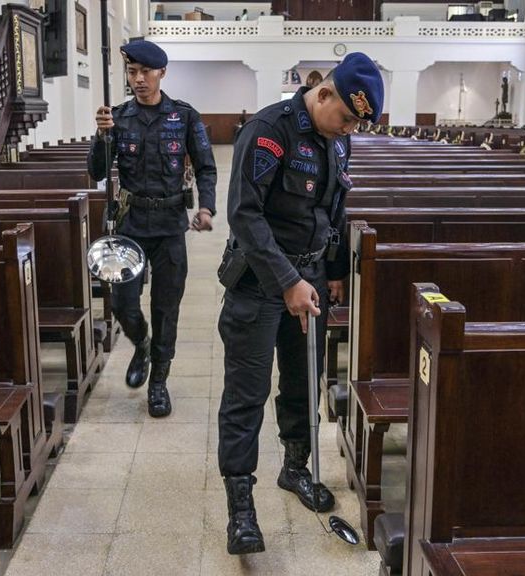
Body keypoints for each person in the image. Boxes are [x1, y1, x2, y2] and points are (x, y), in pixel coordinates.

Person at [215, 52, 384, 554]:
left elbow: (333, 209)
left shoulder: (338, 141)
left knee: (301, 382)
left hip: (308, 278)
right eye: (347, 117)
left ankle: (294, 469)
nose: (348, 129)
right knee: (245, 395)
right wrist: (288, 280)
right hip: (260, 281)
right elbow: (244, 216)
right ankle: (241, 508)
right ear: (324, 94)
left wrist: (331, 274)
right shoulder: (270, 131)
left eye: (356, 123)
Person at [88, 39, 216, 418]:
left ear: (162, 73)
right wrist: (100, 136)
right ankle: (141, 345)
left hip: (170, 227)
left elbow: (207, 166)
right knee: (124, 304)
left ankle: (158, 382)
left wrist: (206, 206)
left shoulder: (184, 116)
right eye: (132, 72)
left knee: (166, 309)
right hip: (130, 225)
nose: (138, 79)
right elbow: (97, 171)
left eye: (145, 72)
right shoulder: (118, 117)